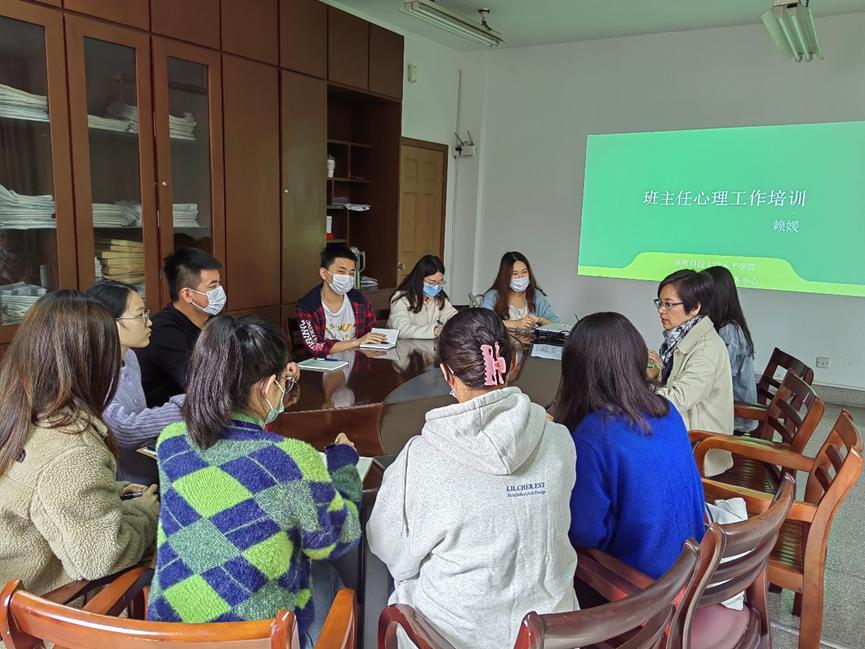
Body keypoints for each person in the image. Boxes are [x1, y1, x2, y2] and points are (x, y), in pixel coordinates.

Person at [366, 309, 578, 649]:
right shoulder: (560, 440)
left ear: (447, 374)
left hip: (454, 638)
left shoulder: (421, 458)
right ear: (511, 364)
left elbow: (388, 549)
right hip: (551, 634)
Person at [146, 314, 361, 649]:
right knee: (328, 577)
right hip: (256, 638)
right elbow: (337, 538)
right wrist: (344, 467)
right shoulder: (291, 458)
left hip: (168, 635)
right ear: (268, 385)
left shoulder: (171, 441)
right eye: (283, 381)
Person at [0, 291, 159, 595]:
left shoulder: (18, 410)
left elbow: (41, 493)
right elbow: (103, 558)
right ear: (91, 362)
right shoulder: (72, 448)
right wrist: (145, 513)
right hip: (42, 608)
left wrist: (110, 490)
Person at [555, 312, 705, 579]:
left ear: (575, 370)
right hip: (691, 566)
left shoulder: (593, 433)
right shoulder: (666, 409)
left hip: (645, 586)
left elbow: (583, 533)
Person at [85, 280, 185, 485]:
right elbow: (124, 429)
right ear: (109, 322)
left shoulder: (129, 356)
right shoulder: (92, 371)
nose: (149, 322)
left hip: (138, 464)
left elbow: (139, 416)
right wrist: (187, 406)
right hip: (112, 478)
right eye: (140, 315)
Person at [647, 269, 734, 476]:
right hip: (682, 431)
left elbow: (677, 399)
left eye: (669, 304)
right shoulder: (685, 336)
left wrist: (632, 385)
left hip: (698, 448)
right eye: (659, 303)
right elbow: (677, 381)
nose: (661, 310)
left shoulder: (705, 350)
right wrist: (657, 369)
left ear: (694, 307)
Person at [137, 247, 225, 407]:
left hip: (204, 406)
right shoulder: (163, 330)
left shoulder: (213, 319)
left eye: (219, 283)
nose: (220, 291)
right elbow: (197, 383)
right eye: (213, 286)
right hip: (166, 414)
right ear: (187, 295)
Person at [296, 246, 386, 356]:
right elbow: (315, 347)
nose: (347, 277)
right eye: (341, 272)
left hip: (357, 363)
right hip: (323, 365)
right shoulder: (308, 306)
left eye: (351, 273)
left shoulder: (361, 301)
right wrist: (356, 342)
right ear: (324, 273)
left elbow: (370, 334)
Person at [704, 266, 759, 433]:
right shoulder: (724, 325)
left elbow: (719, 378)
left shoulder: (729, 331)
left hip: (736, 417)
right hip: (726, 406)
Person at [480, 251, 560, 331]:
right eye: (515, 273)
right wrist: (515, 324)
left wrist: (540, 320)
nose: (520, 277)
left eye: (524, 272)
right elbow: (483, 322)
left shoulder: (536, 295)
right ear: (505, 276)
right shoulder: (493, 296)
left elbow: (557, 324)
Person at [387, 255, 458, 339]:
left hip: (429, 345)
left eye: (440, 282)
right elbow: (401, 330)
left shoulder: (439, 297)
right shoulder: (401, 298)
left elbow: (452, 315)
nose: (436, 286)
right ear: (419, 279)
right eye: (431, 282)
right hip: (404, 345)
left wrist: (457, 323)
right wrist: (434, 331)